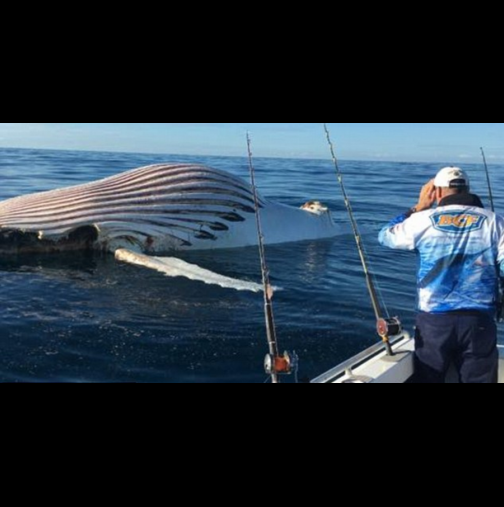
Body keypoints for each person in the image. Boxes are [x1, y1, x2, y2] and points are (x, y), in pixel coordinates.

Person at [379, 166, 504, 383]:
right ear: (467, 188)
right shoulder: (495, 222)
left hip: (434, 322)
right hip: (480, 321)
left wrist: (418, 207)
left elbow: (385, 236)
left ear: (436, 192)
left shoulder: (422, 220)